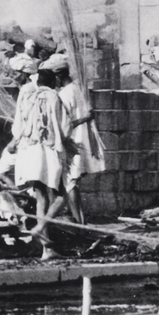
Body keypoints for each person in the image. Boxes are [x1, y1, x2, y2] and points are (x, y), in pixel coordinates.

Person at [12, 67, 71, 260]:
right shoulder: (54, 97)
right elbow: (63, 127)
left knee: (41, 198)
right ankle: (40, 227)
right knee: (62, 196)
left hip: (28, 152)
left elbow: (18, 126)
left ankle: (47, 250)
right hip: (46, 152)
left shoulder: (28, 97)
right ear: (53, 82)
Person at [51, 54, 105, 226]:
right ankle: (77, 218)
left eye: (56, 78)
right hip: (83, 141)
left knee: (69, 182)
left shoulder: (64, 95)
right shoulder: (80, 89)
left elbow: (65, 124)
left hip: (72, 141)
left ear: (60, 76)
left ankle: (78, 221)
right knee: (71, 182)